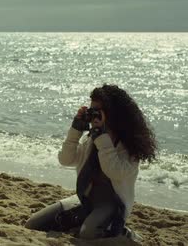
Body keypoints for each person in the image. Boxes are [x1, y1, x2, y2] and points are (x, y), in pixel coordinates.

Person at [25, 84, 157, 239]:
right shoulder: (92, 140)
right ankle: (83, 220)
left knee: (89, 233)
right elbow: (65, 160)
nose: (94, 116)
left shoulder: (130, 147)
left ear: (113, 114)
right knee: (33, 224)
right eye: (91, 111)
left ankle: (126, 234)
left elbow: (114, 171)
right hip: (85, 199)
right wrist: (76, 129)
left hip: (111, 205)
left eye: (98, 112)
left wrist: (101, 137)